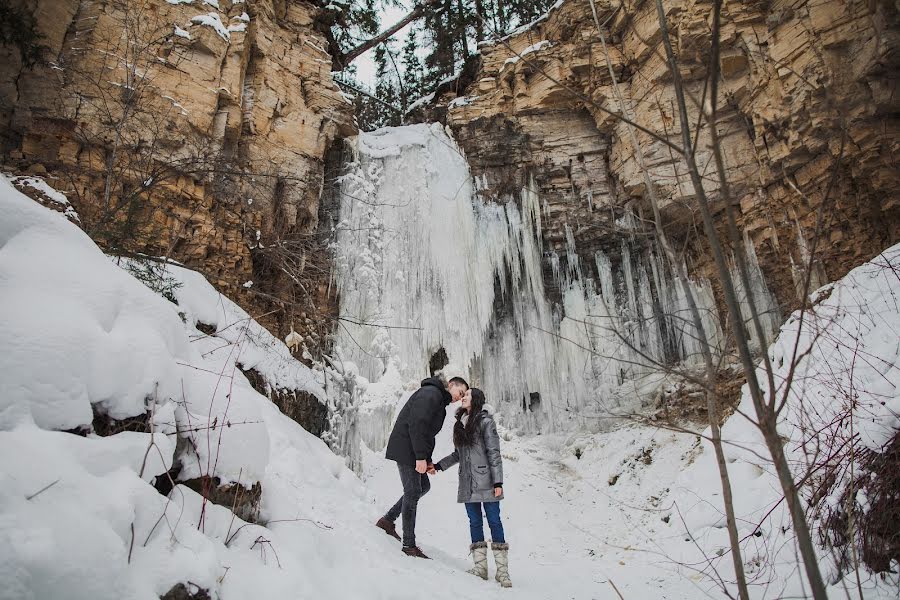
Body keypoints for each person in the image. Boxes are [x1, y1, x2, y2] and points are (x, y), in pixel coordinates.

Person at [375, 374, 469, 558]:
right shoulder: (431, 393)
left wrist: (426, 460)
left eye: (464, 394)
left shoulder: (438, 400)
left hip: (412, 450)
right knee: (412, 491)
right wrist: (419, 457)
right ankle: (408, 545)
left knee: (423, 486)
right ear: (451, 385)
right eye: (461, 391)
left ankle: (387, 521)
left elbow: (426, 434)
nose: (461, 396)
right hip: (406, 448)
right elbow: (416, 425)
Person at [433, 388, 512, 587]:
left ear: (475, 399)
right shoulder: (459, 424)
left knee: (494, 521)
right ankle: (480, 568)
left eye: (467, 394)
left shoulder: (486, 422)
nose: (463, 397)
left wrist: (498, 482)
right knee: (475, 522)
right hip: (467, 482)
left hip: (487, 480)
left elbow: (494, 453)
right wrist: (438, 466)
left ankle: (502, 572)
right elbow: (457, 455)